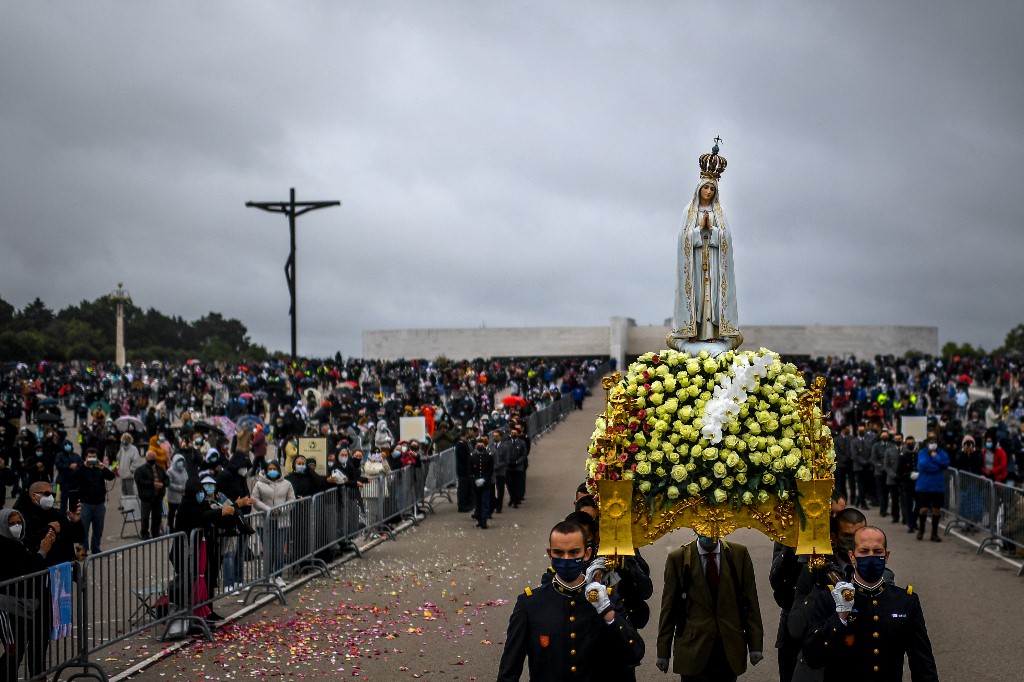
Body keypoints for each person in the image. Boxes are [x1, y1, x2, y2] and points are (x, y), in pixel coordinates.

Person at [496, 520, 644, 681]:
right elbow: (510, 669)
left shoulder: (606, 600)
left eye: (574, 552)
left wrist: (608, 613)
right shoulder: (530, 604)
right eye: (559, 553)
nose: (566, 559)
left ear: (586, 554)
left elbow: (634, 653)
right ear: (550, 553)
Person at [801, 526, 939, 681]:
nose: (871, 557)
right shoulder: (830, 598)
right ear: (852, 556)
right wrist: (839, 618)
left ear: (886, 556)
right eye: (864, 551)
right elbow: (813, 657)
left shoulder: (905, 601)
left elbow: (922, 662)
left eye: (878, 552)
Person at [656, 534, 764, 681]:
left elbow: (751, 603)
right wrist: (663, 651)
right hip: (693, 649)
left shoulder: (739, 554)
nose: (708, 533)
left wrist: (755, 645)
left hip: (728, 648)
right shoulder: (678, 558)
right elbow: (669, 607)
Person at [669, 145, 740, 350]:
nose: (708, 191)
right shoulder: (690, 211)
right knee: (697, 294)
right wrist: (699, 230)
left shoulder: (720, 211)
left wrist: (714, 231)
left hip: (715, 260)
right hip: (696, 261)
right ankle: (693, 331)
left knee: (712, 294)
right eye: (705, 187)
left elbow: (726, 237)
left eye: (712, 189)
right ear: (699, 188)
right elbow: (683, 238)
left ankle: (712, 332)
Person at [0, 507, 57, 682]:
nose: (16, 527)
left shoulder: (18, 543)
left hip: (23, 606)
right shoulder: (4, 545)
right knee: (13, 650)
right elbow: (26, 567)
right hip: (7, 608)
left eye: (19, 523)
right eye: (11, 524)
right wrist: (42, 552)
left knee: (21, 650)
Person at [251, 460, 295, 587]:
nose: (272, 471)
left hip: (282, 522)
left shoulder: (287, 484)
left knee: (279, 549)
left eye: (274, 468)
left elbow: (291, 500)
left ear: (279, 470)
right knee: (269, 550)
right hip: (265, 522)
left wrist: (282, 510)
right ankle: (268, 575)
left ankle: (278, 575)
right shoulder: (259, 484)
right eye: (269, 469)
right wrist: (267, 509)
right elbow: (255, 500)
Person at [77, 447, 116, 555]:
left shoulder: (100, 468)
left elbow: (112, 477)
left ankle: (96, 548)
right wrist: (83, 466)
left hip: (99, 504)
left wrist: (103, 468)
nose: (92, 459)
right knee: (82, 530)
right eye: (90, 457)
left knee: (98, 529)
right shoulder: (82, 468)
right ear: (85, 458)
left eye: (94, 457)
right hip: (85, 504)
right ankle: (82, 552)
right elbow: (74, 476)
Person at [915, 432, 950, 542]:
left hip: (937, 486)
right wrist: (937, 467)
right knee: (923, 509)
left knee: (936, 510)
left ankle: (934, 533)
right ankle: (921, 530)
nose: (932, 443)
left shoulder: (941, 453)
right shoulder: (922, 452)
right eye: (931, 441)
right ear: (926, 442)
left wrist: (935, 457)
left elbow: (946, 463)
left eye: (934, 441)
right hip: (924, 485)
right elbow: (922, 465)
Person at [134, 449, 168, 539]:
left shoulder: (160, 468)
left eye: (153, 457)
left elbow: (166, 479)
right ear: (146, 458)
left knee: (157, 516)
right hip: (146, 497)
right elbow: (139, 481)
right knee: (145, 517)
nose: (152, 459)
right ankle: (145, 534)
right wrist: (152, 483)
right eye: (150, 457)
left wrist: (163, 484)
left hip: (158, 496)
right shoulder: (140, 470)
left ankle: (155, 533)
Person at [468, 438, 493, 529]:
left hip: (485, 483)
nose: (480, 447)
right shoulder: (472, 457)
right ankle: (479, 520)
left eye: (482, 445)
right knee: (477, 503)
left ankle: (484, 521)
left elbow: (490, 470)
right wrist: (475, 480)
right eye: (478, 445)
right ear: (475, 446)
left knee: (484, 502)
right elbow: (470, 471)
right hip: (476, 484)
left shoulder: (489, 457)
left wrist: (484, 479)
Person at [166, 453, 190, 531]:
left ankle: (179, 527)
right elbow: (168, 484)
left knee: (181, 514)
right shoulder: (170, 471)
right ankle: (170, 527)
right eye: (179, 461)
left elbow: (187, 479)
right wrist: (180, 488)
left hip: (182, 496)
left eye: (182, 461)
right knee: (172, 514)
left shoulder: (184, 470)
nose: (181, 463)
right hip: (173, 497)